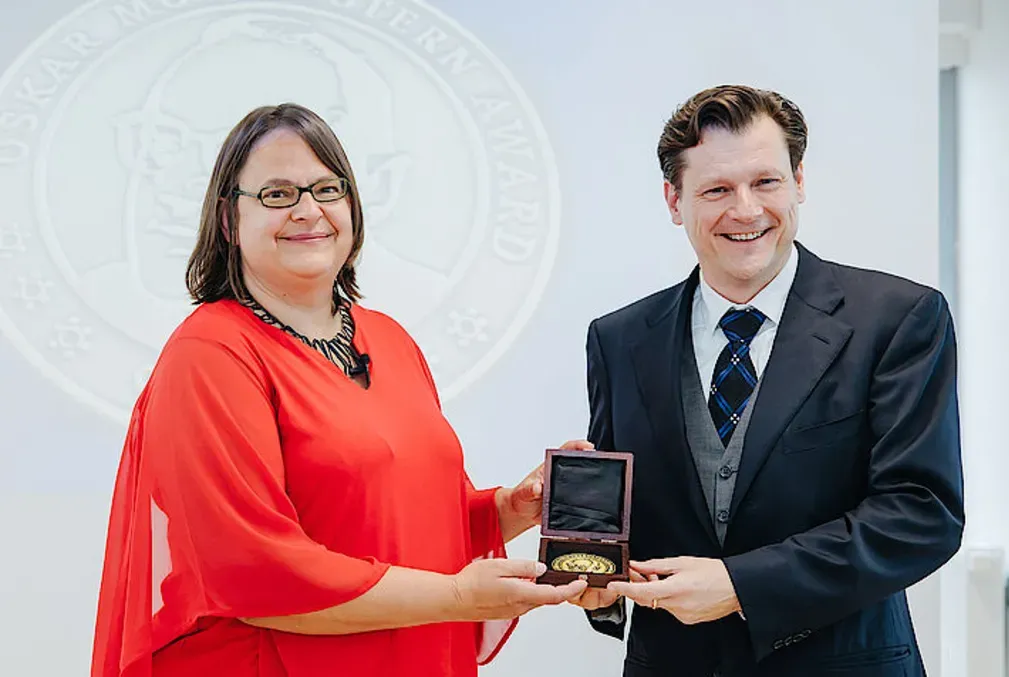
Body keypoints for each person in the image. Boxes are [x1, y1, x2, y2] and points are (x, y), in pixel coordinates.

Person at [90, 102, 589, 677]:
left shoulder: (389, 338)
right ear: (228, 220)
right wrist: (457, 596)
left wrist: (510, 508)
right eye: (277, 194)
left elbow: (398, 524)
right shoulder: (210, 352)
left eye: (327, 189)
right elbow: (257, 574)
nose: (308, 210)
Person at [570, 85, 964, 676]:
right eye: (716, 190)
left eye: (766, 182)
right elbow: (622, 517)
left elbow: (921, 514)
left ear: (798, 181)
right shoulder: (619, 338)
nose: (746, 210)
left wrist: (740, 586)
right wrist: (592, 568)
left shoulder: (898, 319)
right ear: (674, 200)